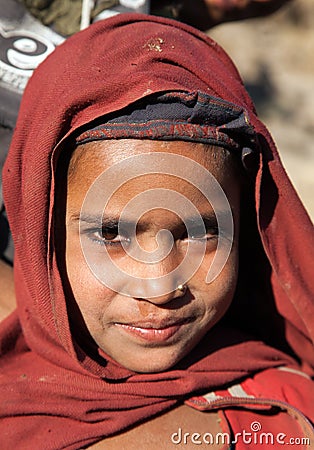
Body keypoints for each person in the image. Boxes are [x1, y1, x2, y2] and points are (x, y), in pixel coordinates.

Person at [0, 13, 313, 449]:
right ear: (41, 233)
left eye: (202, 231)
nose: (160, 287)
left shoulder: (285, 417)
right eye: (111, 234)